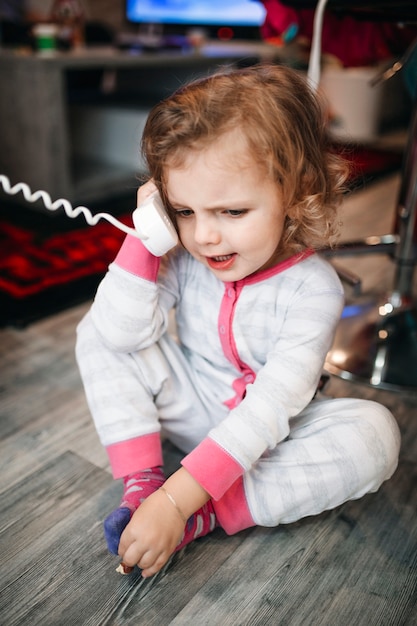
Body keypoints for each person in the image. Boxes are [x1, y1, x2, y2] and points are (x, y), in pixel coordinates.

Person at [75, 64, 400, 579]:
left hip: (269, 437)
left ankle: (208, 510)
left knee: (375, 435)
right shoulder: (182, 255)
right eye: (183, 210)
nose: (204, 236)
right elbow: (119, 334)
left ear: (297, 193)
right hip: (193, 404)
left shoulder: (314, 289)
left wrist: (179, 503)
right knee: (98, 329)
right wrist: (143, 239)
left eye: (231, 212)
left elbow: (271, 409)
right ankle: (142, 484)